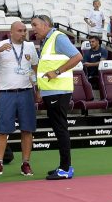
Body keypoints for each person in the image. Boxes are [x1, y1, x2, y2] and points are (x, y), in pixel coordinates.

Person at [0, 21, 37, 177]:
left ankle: (26, 163)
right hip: (7, 93)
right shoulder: (1, 44)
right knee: (3, 130)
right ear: (11, 32)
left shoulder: (30, 47)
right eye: (19, 30)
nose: (23, 33)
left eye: (25, 30)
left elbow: (33, 68)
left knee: (27, 130)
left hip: (26, 92)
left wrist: (36, 87)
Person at [32, 15, 82, 180]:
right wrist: (41, 90)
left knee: (60, 129)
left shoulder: (58, 37)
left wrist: (58, 72)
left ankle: (65, 168)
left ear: (46, 25)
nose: (33, 28)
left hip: (58, 91)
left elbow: (77, 57)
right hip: (51, 91)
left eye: (35, 25)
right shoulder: (47, 40)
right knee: (59, 128)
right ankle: (64, 166)